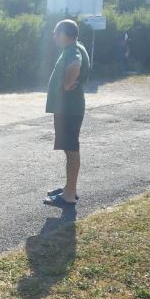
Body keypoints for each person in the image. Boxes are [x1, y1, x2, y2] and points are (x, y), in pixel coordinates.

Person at [44, 20, 90, 208]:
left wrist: (66, 84)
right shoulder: (75, 46)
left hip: (69, 109)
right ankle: (69, 187)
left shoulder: (72, 50)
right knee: (70, 149)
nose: (54, 36)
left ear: (64, 34)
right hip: (69, 108)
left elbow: (75, 64)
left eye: (55, 32)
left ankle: (69, 194)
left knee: (71, 150)